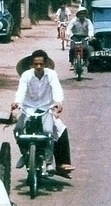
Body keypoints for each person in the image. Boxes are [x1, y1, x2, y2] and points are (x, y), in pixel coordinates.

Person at [11, 49, 72, 178]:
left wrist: (58, 103)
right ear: (32, 65)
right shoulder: (26, 75)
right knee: (17, 129)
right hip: (28, 109)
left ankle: (50, 162)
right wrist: (16, 102)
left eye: (41, 64)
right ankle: (25, 154)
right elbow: (21, 91)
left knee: (50, 130)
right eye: (36, 64)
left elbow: (57, 89)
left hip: (45, 109)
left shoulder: (51, 75)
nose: (39, 67)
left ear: (45, 64)